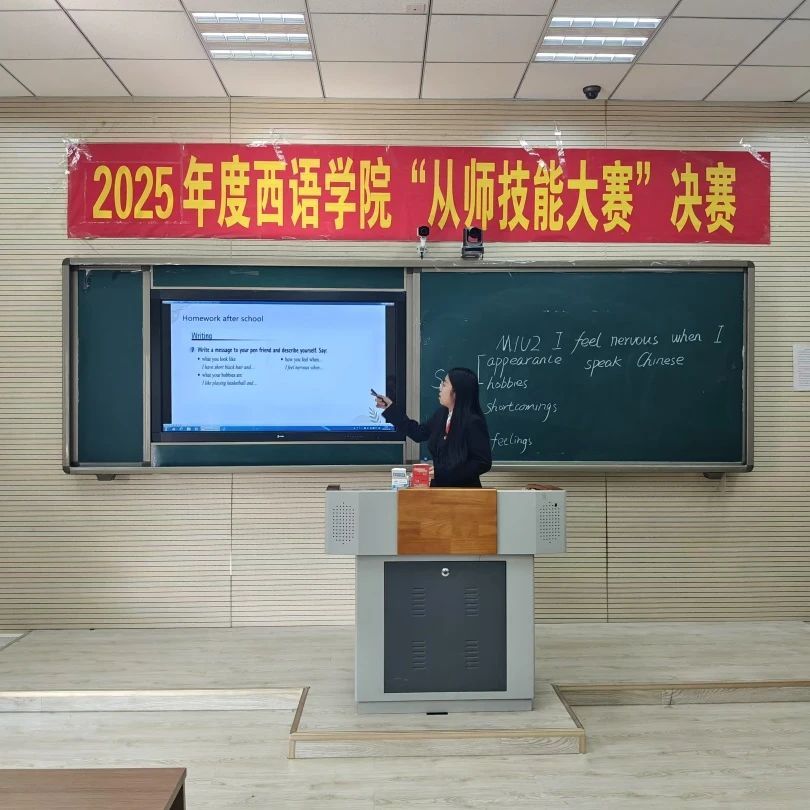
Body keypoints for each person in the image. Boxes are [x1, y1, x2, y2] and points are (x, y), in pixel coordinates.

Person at [374, 367, 492, 488]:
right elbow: (418, 433)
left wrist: (445, 474)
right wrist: (390, 408)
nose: (440, 388)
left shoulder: (473, 422)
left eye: (444, 384)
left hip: (464, 492)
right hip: (439, 489)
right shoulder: (442, 414)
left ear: (456, 392)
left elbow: (482, 463)